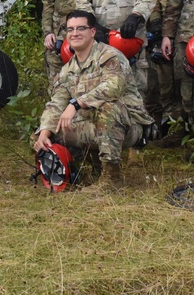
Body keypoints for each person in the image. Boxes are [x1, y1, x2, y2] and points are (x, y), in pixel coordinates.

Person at [32, 10, 155, 191]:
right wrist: (44, 133)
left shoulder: (110, 56)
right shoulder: (68, 70)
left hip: (129, 125)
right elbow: (56, 103)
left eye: (81, 28)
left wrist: (76, 104)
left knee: (107, 109)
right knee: (43, 134)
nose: (75, 33)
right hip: (93, 125)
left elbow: (113, 87)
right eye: (71, 29)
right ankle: (71, 172)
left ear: (93, 32)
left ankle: (112, 180)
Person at [148, 0, 194, 147]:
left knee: (187, 82)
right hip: (163, 28)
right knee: (164, 84)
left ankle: (193, 133)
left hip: (189, 26)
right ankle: (174, 131)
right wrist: (154, 20)